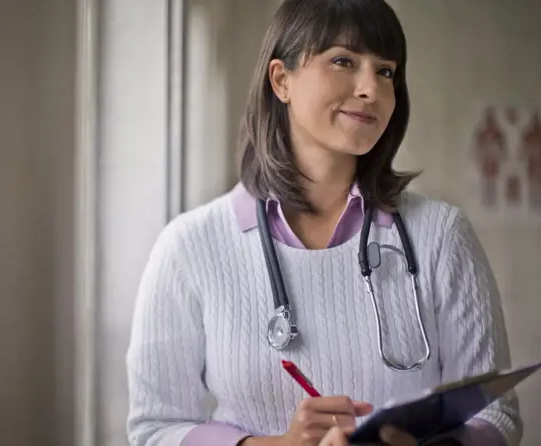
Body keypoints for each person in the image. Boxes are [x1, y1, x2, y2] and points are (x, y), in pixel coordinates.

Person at [125, 0, 522, 445]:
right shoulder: (188, 247)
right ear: (282, 80)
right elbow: (155, 429)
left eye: (386, 71)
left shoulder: (442, 236)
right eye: (343, 61)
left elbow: (497, 415)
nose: (370, 88)